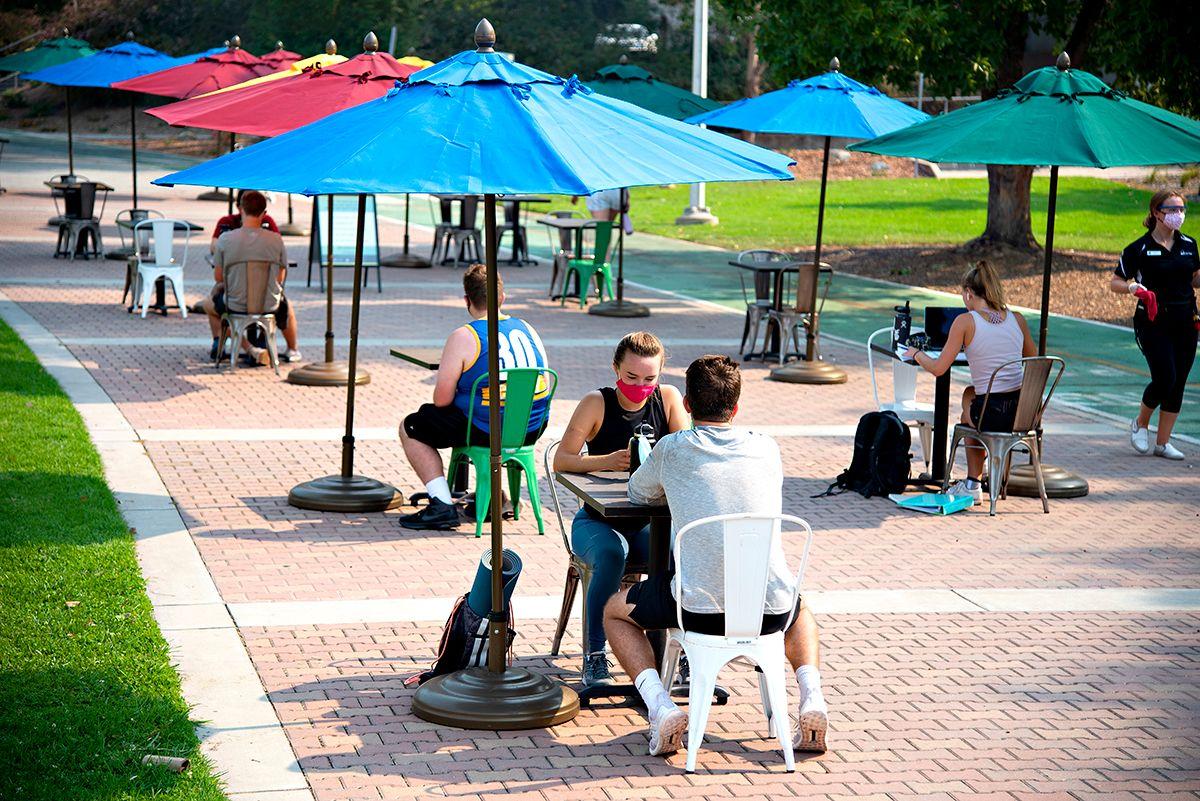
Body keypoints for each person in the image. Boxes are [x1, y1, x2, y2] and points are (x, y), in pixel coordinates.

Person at [603, 355, 828, 757]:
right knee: (800, 607)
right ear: (736, 407)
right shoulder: (767, 448)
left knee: (615, 613)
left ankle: (659, 705)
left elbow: (638, 493)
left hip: (697, 609)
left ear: (686, 404)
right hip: (770, 610)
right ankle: (811, 696)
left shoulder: (673, 449)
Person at [553, 332, 689, 687]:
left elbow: (688, 456)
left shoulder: (669, 399)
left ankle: (680, 650)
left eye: (649, 378)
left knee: (679, 552)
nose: (640, 386)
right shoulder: (596, 403)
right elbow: (561, 459)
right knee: (613, 555)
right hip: (597, 521)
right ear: (615, 368)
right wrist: (607, 461)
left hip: (650, 522)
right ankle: (595, 656)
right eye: (631, 377)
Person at [398, 263, 549, 531]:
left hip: (485, 430)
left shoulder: (464, 336)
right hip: (530, 428)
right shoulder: (528, 329)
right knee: (483, 412)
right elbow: (544, 383)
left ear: (467, 300)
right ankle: (495, 497)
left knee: (412, 425)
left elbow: (442, 400)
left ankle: (442, 503)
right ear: (502, 297)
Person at [904, 261, 1036, 505]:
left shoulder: (966, 322)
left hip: (993, 414)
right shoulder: (1017, 319)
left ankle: (973, 483)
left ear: (968, 293)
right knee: (970, 394)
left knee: (969, 410)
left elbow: (938, 368)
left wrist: (915, 354)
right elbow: (1035, 361)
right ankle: (980, 479)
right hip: (1023, 413)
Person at [1111, 190, 1197, 460]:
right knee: (1165, 377)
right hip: (1153, 320)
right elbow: (1116, 282)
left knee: (1179, 381)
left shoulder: (1189, 244)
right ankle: (1141, 422)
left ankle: (1162, 443)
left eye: (1182, 209)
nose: (1178, 214)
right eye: (1172, 209)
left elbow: (1194, 277)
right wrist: (1132, 287)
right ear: (1157, 212)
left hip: (1186, 320)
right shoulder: (1139, 248)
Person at [202, 190, 301, 365]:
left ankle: (237, 345)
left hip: (235, 303)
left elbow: (218, 277)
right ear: (264, 212)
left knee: (211, 304)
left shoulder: (225, 240)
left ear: (241, 209)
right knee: (287, 305)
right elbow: (280, 278)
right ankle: (292, 349)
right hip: (269, 304)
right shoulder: (276, 240)